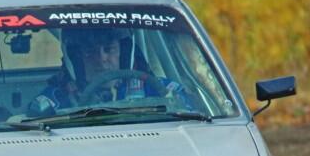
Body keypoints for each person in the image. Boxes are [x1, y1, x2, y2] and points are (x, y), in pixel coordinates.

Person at [28, 28, 189, 115]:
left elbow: (194, 116)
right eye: (90, 52)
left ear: (123, 53)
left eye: (109, 49)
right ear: (76, 60)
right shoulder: (52, 101)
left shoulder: (159, 89)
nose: (101, 59)